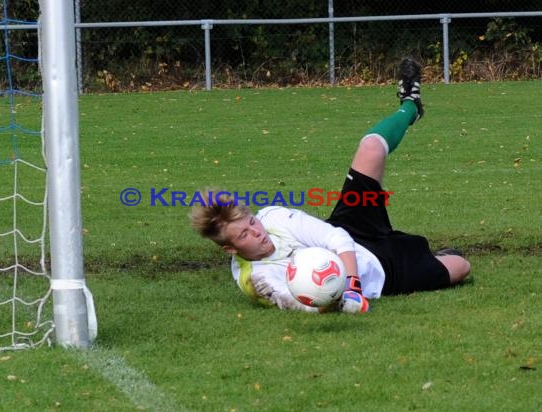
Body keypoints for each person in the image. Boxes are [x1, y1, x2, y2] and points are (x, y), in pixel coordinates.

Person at [189, 58, 471, 314]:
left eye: (251, 221)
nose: (257, 231)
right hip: (385, 274)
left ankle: (410, 104)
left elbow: (336, 237)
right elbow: (303, 304)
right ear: (230, 249)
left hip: (353, 229)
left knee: (371, 147)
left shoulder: (272, 217)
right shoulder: (255, 279)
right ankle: (438, 257)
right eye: (244, 234)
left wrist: (351, 287)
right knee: (461, 267)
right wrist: (332, 302)